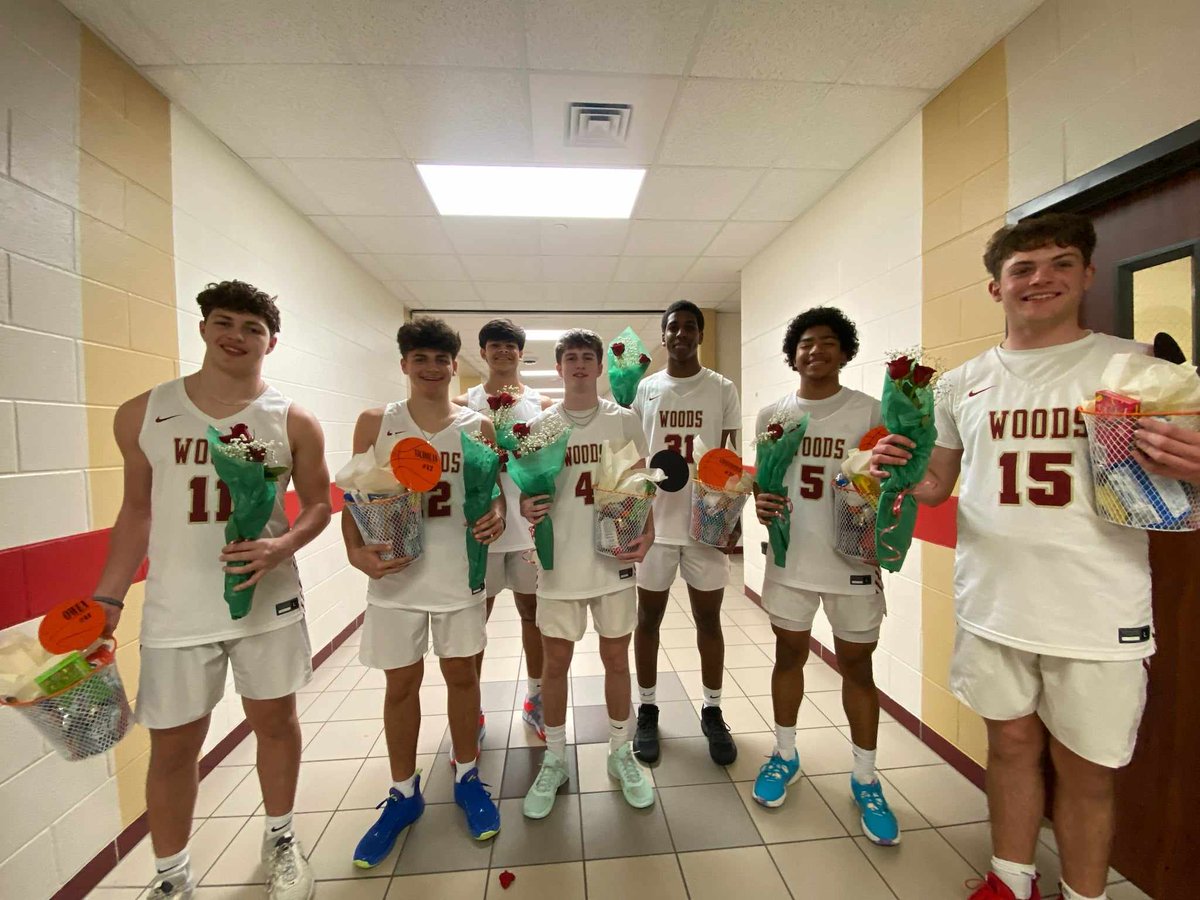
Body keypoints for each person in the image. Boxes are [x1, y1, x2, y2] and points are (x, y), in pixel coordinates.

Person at [870, 213, 1200, 900]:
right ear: (997, 288)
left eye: (1059, 262)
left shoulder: (1138, 365)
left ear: (1085, 274)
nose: (1040, 278)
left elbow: (1175, 479)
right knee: (1011, 747)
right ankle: (1010, 879)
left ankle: (1084, 894)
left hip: (1098, 607)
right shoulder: (959, 384)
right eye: (1022, 268)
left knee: (1088, 771)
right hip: (993, 600)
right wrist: (891, 469)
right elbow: (937, 483)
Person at [91, 280, 331, 900]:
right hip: (177, 606)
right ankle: (172, 876)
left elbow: (316, 507)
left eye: (252, 328)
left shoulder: (292, 419)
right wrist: (109, 599)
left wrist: (283, 545)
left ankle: (281, 839)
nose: (237, 336)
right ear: (203, 329)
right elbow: (136, 513)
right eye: (224, 322)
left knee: (276, 721)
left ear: (270, 342)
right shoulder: (144, 413)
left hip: (269, 600)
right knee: (173, 745)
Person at [347, 317, 505, 868]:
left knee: (462, 675)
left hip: (458, 573)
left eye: (442, 359)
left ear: (454, 364)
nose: (433, 369)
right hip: (396, 576)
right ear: (404, 365)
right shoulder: (377, 422)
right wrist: (353, 550)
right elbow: (351, 494)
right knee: (401, 684)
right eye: (421, 359)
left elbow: (494, 496)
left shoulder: (478, 427)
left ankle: (467, 777)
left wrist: (499, 517)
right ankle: (403, 792)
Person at [750, 307, 900, 845]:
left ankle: (865, 777)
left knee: (857, 668)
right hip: (790, 561)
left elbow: (892, 482)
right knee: (787, 654)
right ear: (792, 354)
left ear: (845, 352)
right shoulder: (774, 413)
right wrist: (759, 501)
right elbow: (765, 482)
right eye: (806, 343)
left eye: (828, 342)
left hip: (853, 563)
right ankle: (784, 754)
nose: (816, 350)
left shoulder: (869, 412)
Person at [520, 329, 656, 818]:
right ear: (558, 368)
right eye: (570, 358)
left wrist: (650, 530)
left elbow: (643, 481)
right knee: (555, 664)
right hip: (559, 564)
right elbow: (527, 490)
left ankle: (621, 753)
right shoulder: (539, 425)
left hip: (613, 557)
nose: (578, 365)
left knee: (617, 659)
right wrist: (523, 501)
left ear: (601, 367)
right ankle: (555, 757)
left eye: (586, 357)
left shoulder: (625, 420)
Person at [630, 300, 742, 766]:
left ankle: (713, 712)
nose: (681, 333)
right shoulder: (646, 388)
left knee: (709, 622)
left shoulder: (721, 388)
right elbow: (633, 453)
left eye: (689, 327)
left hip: (704, 527)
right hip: (655, 527)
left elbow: (733, 457)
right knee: (647, 621)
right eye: (672, 327)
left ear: (699, 334)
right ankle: (648, 709)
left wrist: (732, 517)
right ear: (663, 335)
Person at [454, 318, 554, 742]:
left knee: (535, 617)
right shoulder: (463, 404)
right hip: (483, 532)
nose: (503, 352)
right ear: (483, 352)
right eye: (494, 345)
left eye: (510, 345)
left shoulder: (543, 404)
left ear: (520, 352)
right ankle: (471, 709)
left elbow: (553, 468)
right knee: (476, 621)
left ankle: (536, 699)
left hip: (529, 532)